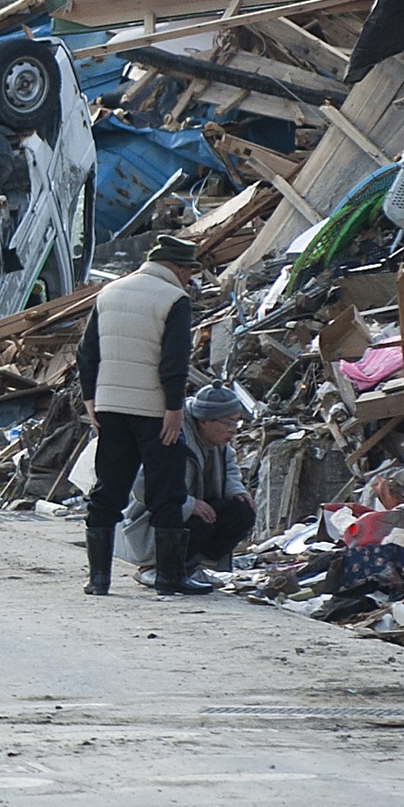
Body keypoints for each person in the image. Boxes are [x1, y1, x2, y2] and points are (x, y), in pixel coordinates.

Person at [73, 240, 198, 597]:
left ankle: (98, 580)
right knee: (167, 491)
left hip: (110, 407)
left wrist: (91, 399)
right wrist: (174, 408)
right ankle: (168, 579)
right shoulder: (175, 300)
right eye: (188, 271)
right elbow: (174, 361)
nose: (190, 279)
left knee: (107, 490)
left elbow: (87, 354)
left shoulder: (109, 292)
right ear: (178, 268)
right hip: (153, 410)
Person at [159, 382, 258, 595]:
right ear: (204, 422)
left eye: (236, 423)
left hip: (196, 506)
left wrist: (237, 491)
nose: (233, 429)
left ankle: (196, 566)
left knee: (241, 512)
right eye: (228, 423)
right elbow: (151, 488)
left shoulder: (219, 443)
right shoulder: (175, 438)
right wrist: (189, 504)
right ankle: (167, 566)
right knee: (198, 521)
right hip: (161, 519)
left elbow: (230, 468)